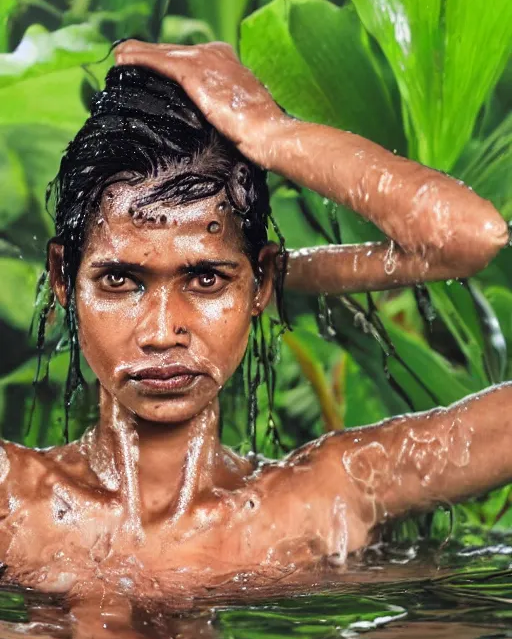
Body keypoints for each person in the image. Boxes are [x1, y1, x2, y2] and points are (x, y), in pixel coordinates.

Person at [0, 40, 508, 597]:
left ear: (259, 282)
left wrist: (273, 134)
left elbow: (470, 237)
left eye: (206, 279)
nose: (162, 331)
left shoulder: (324, 497)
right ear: (62, 277)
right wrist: (240, 277)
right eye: (120, 280)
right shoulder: (12, 502)